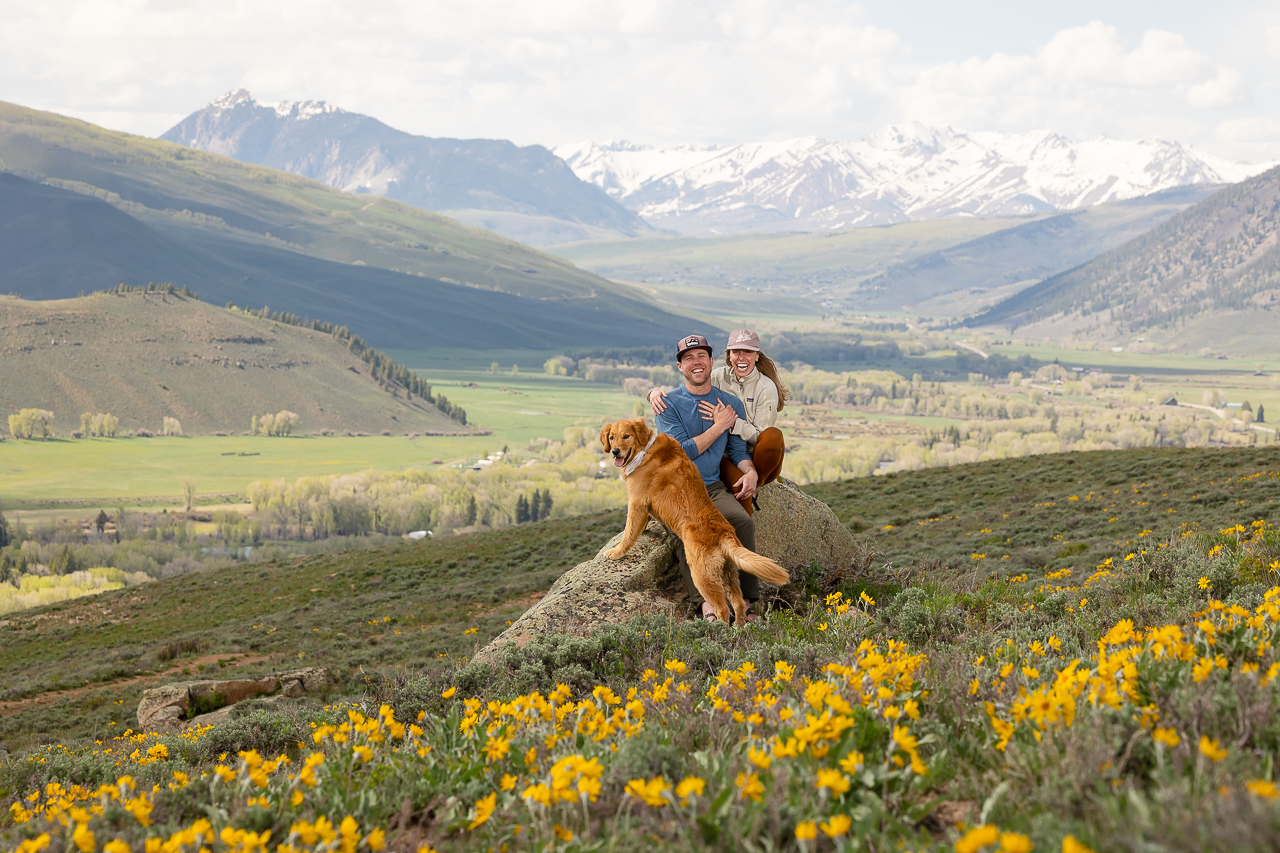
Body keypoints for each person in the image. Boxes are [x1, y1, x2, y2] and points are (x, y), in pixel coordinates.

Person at [654, 334, 762, 623]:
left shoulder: (729, 403)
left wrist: (750, 471)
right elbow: (681, 454)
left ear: (711, 362)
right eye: (688, 358)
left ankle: (746, 603)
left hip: (711, 486)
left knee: (741, 522)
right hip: (676, 489)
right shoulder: (668, 404)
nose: (696, 362)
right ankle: (707, 606)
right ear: (680, 367)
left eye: (701, 356)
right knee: (689, 534)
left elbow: (736, 448)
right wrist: (719, 426)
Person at [650, 328, 788, 515]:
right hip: (724, 455)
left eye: (747, 352)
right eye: (736, 352)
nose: (741, 357)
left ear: (756, 356)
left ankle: (757, 483)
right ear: (728, 356)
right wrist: (653, 393)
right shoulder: (717, 376)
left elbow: (760, 437)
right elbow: (693, 385)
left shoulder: (766, 387)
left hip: (754, 454)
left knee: (773, 436)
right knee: (738, 487)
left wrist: (731, 422)